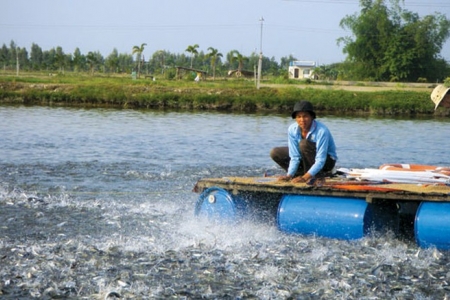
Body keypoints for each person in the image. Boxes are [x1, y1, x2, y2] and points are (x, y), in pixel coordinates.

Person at [270, 100, 337, 184]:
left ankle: (314, 175)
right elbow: (295, 156)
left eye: (305, 116)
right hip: (306, 159)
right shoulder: (292, 129)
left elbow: (321, 160)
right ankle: (298, 175)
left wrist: (305, 178)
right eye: (298, 117)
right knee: (276, 152)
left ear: (312, 117)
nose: (302, 120)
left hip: (326, 162)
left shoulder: (322, 131)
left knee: (304, 144)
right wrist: (289, 175)